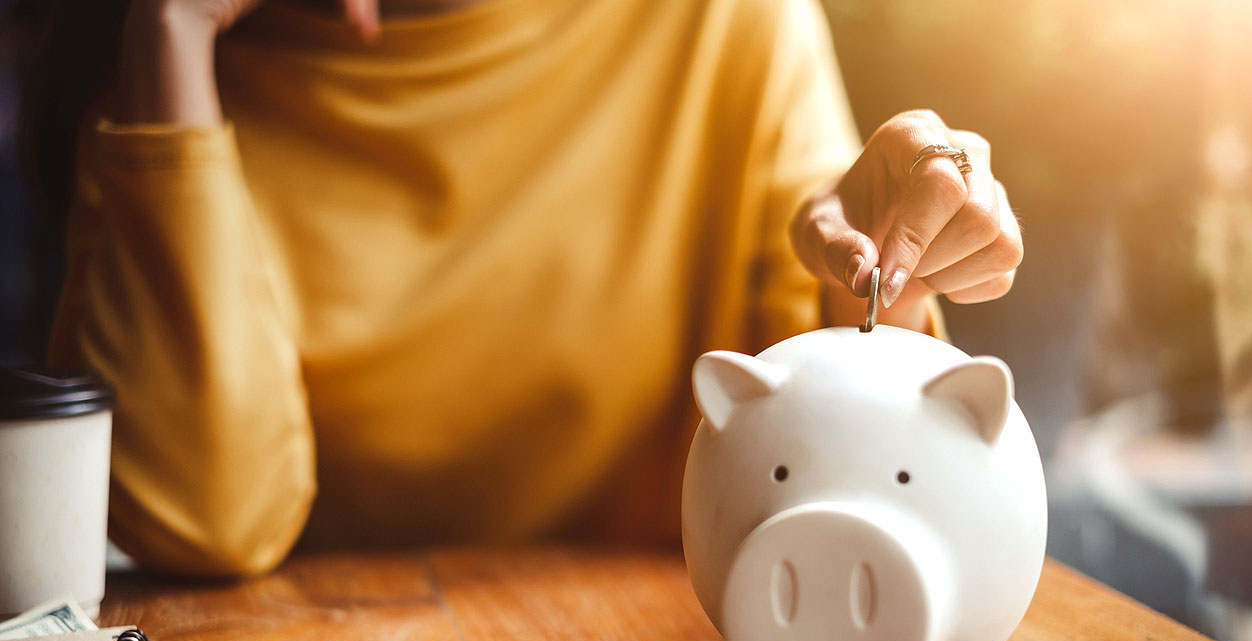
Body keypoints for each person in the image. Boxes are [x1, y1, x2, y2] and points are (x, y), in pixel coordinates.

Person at [34, 0, 1023, 577]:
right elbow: (201, 522)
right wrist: (168, 29)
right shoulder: (171, 99)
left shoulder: (721, 24)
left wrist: (885, 269)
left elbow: (847, 442)